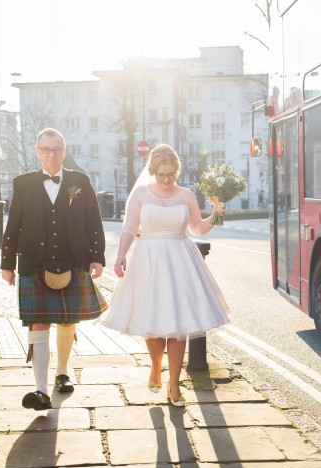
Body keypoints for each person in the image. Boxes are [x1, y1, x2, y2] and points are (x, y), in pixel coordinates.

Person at [98, 144, 229, 407]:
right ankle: (156, 367)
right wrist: (121, 255)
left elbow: (197, 229)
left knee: (179, 326)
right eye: (161, 174)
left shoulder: (186, 195)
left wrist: (215, 215)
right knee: (153, 321)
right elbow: (129, 227)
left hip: (180, 261)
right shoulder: (141, 195)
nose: (166, 180)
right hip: (148, 260)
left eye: (170, 174)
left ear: (177, 172)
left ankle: (175, 386)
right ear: (153, 171)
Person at [0, 127, 107, 411]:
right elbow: (13, 226)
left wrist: (97, 257)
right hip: (35, 262)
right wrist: (7, 263)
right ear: (37, 151)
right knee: (39, 323)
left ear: (64, 151)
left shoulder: (80, 181)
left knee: (68, 321)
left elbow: (94, 222)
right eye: (46, 149)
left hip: (74, 260)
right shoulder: (23, 184)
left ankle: (62, 373)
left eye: (57, 149)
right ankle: (40, 390)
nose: (51, 154)